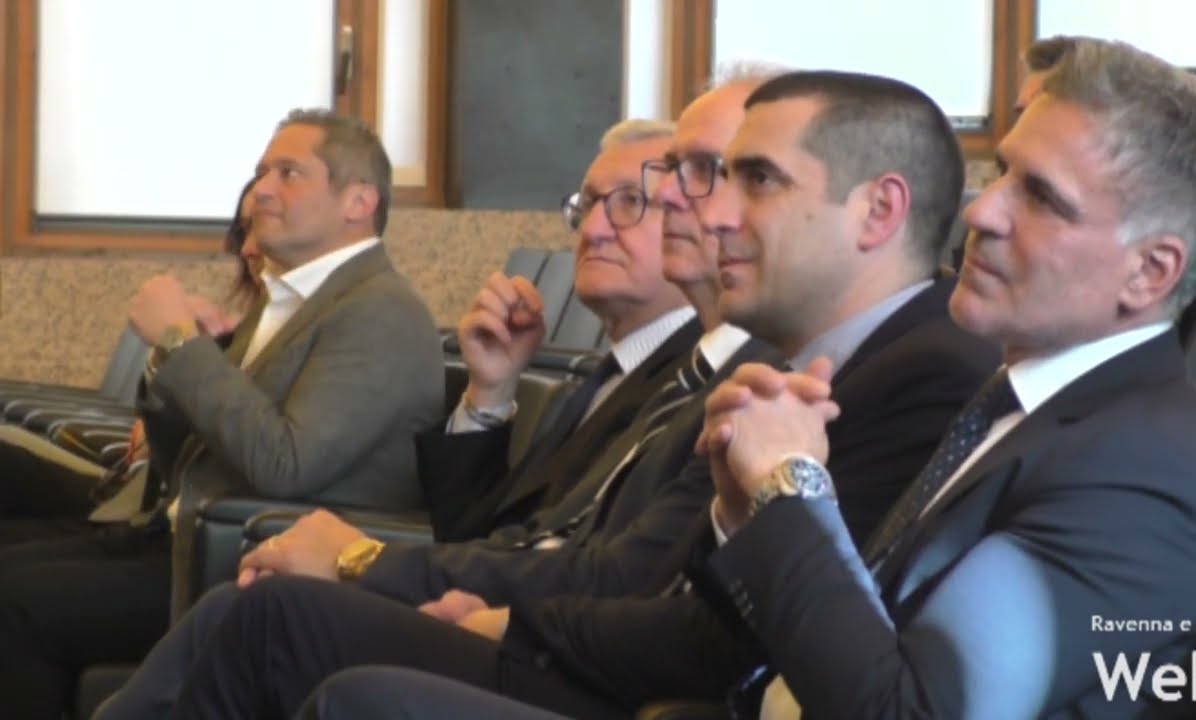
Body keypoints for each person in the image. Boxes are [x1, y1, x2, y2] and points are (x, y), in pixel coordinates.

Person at [122, 70, 1001, 720]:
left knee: (279, 626)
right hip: (594, 644)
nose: (708, 211)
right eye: (708, 175)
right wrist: (491, 397)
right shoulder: (735, 367)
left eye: (750, 178)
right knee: (262, 614)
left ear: (879, 212)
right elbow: (536, 532)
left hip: (639, 685)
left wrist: (480, 612)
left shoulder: (915, 373)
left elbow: (708, 621)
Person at [695, 39, 1196, 718]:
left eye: (1041, 197)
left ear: (1149, 273)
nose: (981, 211)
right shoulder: (1025, 408)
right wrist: (749, 513)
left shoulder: (1145, 481)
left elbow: (909, 712)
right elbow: (858, 643)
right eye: (1002, 172)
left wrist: (788, 488)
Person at [0, 108, 447, 720]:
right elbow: (185, 456)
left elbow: (287, 464)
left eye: (289, 173)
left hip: (247, 566)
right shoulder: (292, 300)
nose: (262, 189)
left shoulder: (380, 312)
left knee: (16, 605)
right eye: (262, 172)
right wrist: (171, 361)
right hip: (186, 533)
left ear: (358, 201)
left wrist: (182, 344)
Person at [416, 120, 700, 544]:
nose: (593, 230)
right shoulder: (607, 378)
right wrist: (491, 392)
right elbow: (470, 536)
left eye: (631, 201)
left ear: (696, 224)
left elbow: (583, 563)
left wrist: (365, 558)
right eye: (589, 204)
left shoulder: (697, 383)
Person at [0, 178, 262, 544]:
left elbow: (228, 450)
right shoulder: (236, 330)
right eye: (246, 231)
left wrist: (180, 343)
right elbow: (161, 430)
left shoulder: (291, 344)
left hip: (160, 511)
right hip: (132, 487)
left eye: (265, 226)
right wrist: (165, 359)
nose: (251, 247)